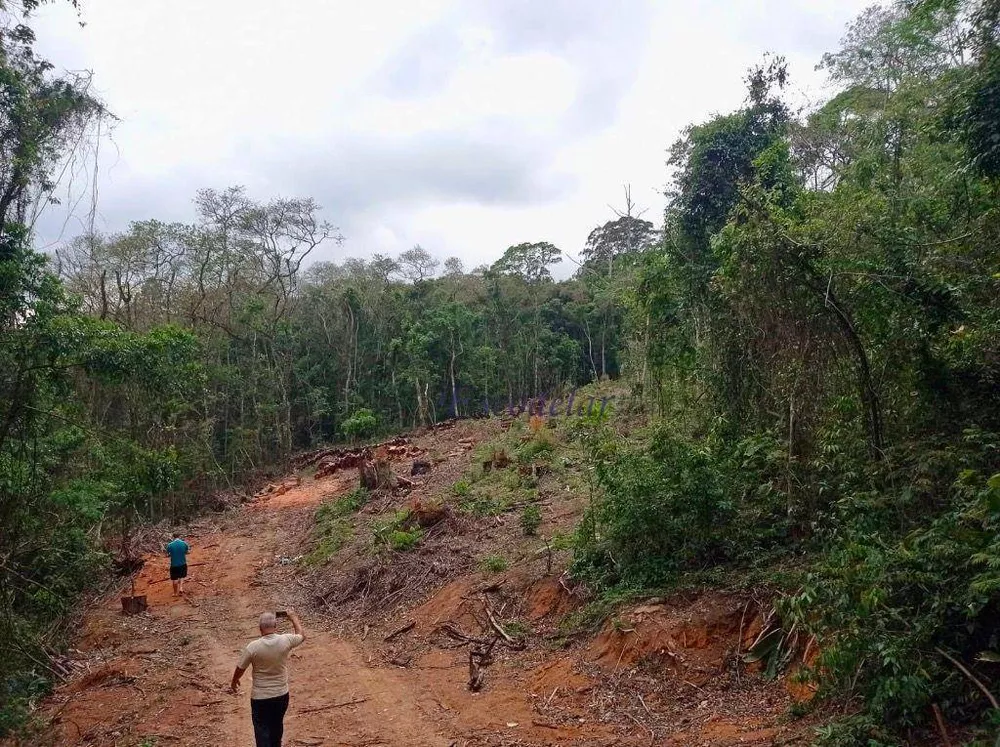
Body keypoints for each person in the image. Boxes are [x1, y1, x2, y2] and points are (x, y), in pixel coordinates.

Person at [230, 609, 306, 747]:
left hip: (260, 697)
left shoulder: (253, 647)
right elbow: (301, 635)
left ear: (260, 628)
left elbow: (240, 667)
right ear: (275, 627)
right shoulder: (286, 640)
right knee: (276, 727)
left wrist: (234, 681)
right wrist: (293, 617)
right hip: (281, 694)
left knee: (261, 731)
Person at [165, 532, 190, 596]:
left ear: (173, 537)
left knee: (174, 579)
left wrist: (171, 554)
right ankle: (181, 588)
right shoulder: (184, 543)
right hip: (183, 563)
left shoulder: (169, 545)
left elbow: (167, 554)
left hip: (174, 564)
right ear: (179, 536)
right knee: (182, 576)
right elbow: (187, 552)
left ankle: (175, 593)